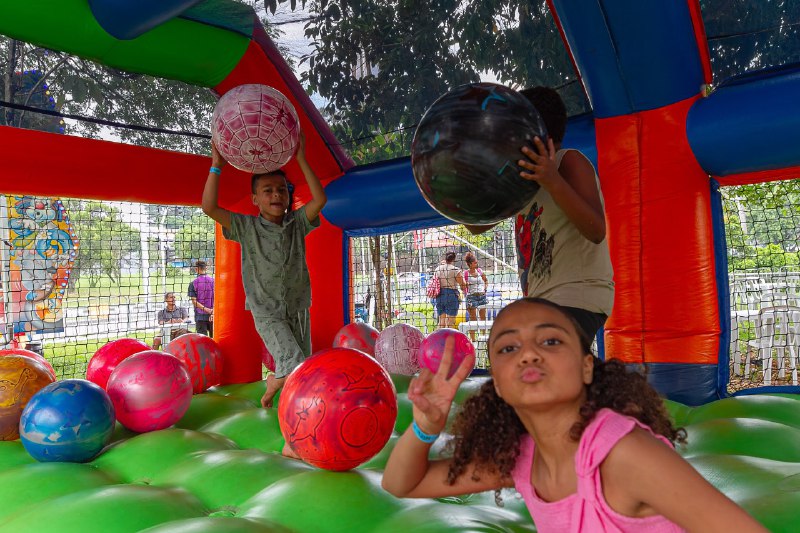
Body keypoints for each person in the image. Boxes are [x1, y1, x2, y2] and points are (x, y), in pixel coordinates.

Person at [381, 298, 767, 533]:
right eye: (508, 348)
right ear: (496, 383)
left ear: (586, 368)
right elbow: (403, 485)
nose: (529, 354)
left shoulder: (622, 456)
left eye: (550, 341)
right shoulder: (521, 457)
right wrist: (425, 428)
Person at [467, 87, 614, 341]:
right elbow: (474, 225)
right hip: (544, 300)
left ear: (529, 130)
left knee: (541, 360)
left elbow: (596, 230)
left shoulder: (568, 162)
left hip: (577, 293)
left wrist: (552, 180)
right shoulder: (522, 179)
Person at [201, 131, 326, 415]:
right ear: (255, 198)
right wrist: (216, 164)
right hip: (266, 309)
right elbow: (209, 207)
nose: (276, 195)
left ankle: (278, 387)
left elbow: (320, 200)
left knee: (303, 366)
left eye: (281, 189)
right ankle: (288, 402)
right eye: (268, 191)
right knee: (293, 362)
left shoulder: (297, 223)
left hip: (297, 305)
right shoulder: (246, 227)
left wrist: (302, 159)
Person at [433, 251, 466, 329]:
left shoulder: (437, 269)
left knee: (441, 321)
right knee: (450, 322)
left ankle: (439, 340)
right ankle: (448, 339)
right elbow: (463, 285)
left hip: (440, 295)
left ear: (445, 257)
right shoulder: (455, 270)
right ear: (454, 259)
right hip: (451, 295)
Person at [188, 260, 214, 337]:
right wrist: (212, 311)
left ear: (196, 269)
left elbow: (194, 302)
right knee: (215, 339)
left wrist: (206, 310)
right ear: (206, 268)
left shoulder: (193, 283)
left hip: (200, 315)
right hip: (213, 314)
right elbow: (218, 299)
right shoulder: (214, 281)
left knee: (203, 340)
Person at [462, 251, 488, 330]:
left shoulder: (480, 271)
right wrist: (466, 285)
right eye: (475, 263)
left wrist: (485, 288)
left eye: (477, 262)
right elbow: (462, 286)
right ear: (470, 264)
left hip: (482, 296)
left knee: (483, 318)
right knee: (473, 319)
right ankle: (473, 340)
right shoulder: (465, 273)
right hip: (471, 297)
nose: (477, 264)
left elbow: (486, 280)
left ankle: (483, 336)